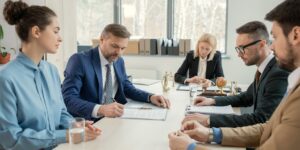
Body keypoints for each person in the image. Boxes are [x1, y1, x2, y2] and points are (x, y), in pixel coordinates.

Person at [169, 0, 300, 149]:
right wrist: (211, 133)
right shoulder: (275, 72)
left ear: (295, 35)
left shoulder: (279, 73)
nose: (272, 45)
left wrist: (191, 147)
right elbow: (267, 125)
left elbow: (262, 121)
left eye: (275, 38)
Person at [0, 1, 101, 149]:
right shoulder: (6, 79)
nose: (60, 38)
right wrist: (67, 135)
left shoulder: (52, 71)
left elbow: (60, 112)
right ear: (36, 32)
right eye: (55, 31)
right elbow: (11, 139)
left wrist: (76, 126)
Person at [182, 21, 289, 128]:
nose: (239, 54)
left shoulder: (277, 73)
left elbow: (260, 119)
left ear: (261, 45)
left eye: (242, 48)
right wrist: (213, 100)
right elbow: (246, 97)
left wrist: (209, 120)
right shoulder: (264, 69)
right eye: (238, 49)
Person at [62, 24, 170, 121]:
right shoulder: (79, 60)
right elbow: (68, 99)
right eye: (114, 46)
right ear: (101, 40)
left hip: (113, 118)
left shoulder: (118, 61)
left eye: (123, 48)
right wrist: (101, 109)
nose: (119, 52)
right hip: (90, 121)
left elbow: (126, 87)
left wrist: (150, 97)